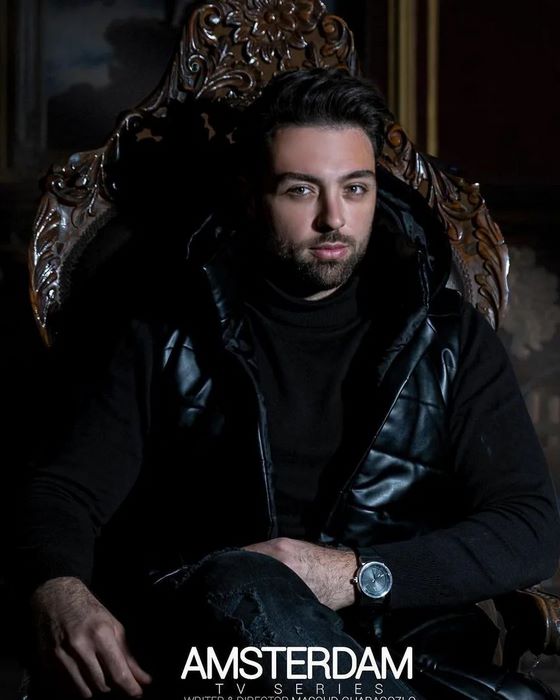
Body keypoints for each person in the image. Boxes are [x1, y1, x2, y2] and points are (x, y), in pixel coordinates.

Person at [14, 68, 560, 700]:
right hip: (220, 657)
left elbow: (529, 527)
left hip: (406, 655)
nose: (334, 218)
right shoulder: (163, 329)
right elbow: (65, 491)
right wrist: (59, 589)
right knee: (243, 580)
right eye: (301, 190)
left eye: (355, 189)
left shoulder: (448, 337)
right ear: (251, 196)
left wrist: (355, 575)